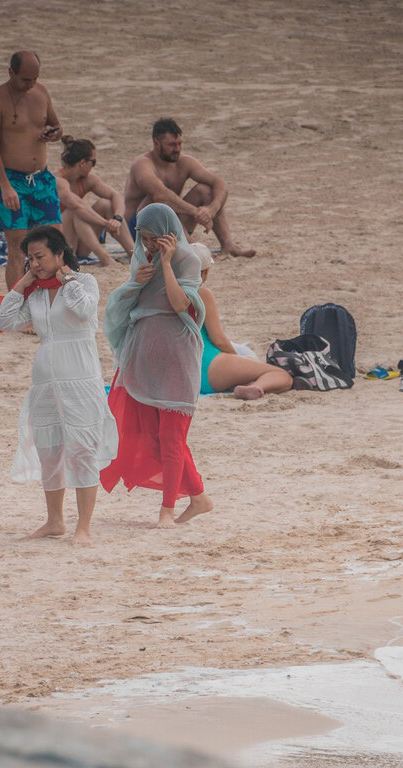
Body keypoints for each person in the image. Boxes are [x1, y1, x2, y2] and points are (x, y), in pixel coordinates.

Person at [0, 226, 119, 546]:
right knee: (49, 450)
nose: (35, 264)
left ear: (60, 254)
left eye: (39, 257)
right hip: (45, 380)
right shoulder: (35, 292)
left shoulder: (84, 283)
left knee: (82, 450)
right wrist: (23, 283)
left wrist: (67, 279)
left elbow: (84, 310)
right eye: (30, 258)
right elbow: (6, 321)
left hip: (80, 378)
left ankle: (84, 526)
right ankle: (54, 521)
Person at [100, 204, 213, 528]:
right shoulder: (141, 258)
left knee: (172, 434)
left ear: (169, 233)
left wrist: (166, 264)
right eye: (144, 239)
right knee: (153, 434)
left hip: (177, 357)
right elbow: (128, 303)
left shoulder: (188, 260)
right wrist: (135, 281)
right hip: (143, 357)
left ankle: (167, 510)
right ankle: (199, 497)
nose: (148, 246)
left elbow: (181, 303)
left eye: (153, 239)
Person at [0, 50, 64, 291]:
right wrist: (5, 186)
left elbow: (57, 126)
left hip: (42, 180)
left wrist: (54, 133)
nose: (31, 84)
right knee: (18, 247)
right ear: (11, 72)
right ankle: (17, 308)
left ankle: (54, 299)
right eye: (25, 79)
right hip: (11, 179)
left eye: (35, 78)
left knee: (55, 241)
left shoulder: (41, 92)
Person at [123, 118, 255, 258]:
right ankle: (190, 246)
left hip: (172, 225)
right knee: (156, 201)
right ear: (156, 143)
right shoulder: (142, 164)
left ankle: (228, 245)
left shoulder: (184, 162)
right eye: (172, 145)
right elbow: (160, 196)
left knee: (205, 191)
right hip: (138, 229)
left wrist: (211, 210)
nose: (177, 149)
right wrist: (196, 212)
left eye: (180, 144)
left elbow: (219, 183)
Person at [191, 243, 293, 399]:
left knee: (241, 370)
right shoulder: (201, 293)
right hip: (206, 365)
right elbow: (218, 339)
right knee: (281, 376)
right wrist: (235, 358)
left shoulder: (166, 291)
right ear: (205, 272)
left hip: (178, 369)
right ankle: (256, 387)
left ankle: (244, 383)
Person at [54, 136, 133, 267]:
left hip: (77, 242)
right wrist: (106, 224)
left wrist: (117, 219)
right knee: (75, 210)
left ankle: (134, 254)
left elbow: (115, 195)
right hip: (55, 240)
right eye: (93, 162)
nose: (94, 165)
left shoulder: (87, 179)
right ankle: (105, 258)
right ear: (82, 163)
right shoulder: (57, 180)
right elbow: (77, 205)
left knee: (105, 204)